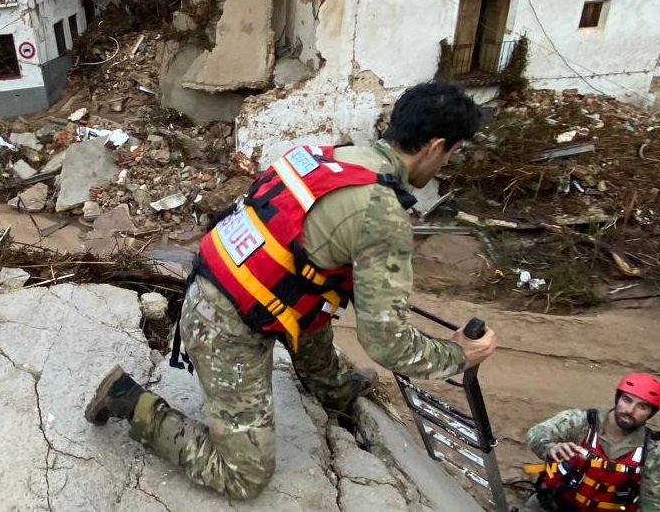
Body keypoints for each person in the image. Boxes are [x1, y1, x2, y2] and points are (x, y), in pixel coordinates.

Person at [86, 80, 498, 499]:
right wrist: (456, 355)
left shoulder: (334, 157)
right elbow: (387, 344)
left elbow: (308, 273)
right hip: (225, 328)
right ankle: (129, 400)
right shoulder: (382, 211)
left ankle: (327, 384)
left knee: (318, 285)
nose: (447, 163)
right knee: (244, 476)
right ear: (436, 146)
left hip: (221, 289)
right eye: (451, 153)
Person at [523, 373, 660, 512]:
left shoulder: (652, 451)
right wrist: (551, 448)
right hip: (552, 506)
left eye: (642, 407)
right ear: (617, 398)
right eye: (627, 400)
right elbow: (536, 433)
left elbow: (654, 501)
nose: (630, 410)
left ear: (651, 413)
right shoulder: (582, 422)